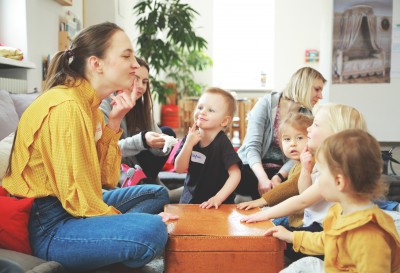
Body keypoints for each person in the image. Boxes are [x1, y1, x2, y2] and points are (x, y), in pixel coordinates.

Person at [2, 22, 177, 272]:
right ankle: (105, 243)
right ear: (96, 64)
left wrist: (114, 122)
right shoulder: (67, 107)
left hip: (74, 206)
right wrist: (127, 221)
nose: (136, 65)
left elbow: (106, 179)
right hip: (50, 225)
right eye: (126, 56)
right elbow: (79, 199)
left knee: (155, 194)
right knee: (152, 230)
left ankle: (105, 244)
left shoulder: (89, 106)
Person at [267, 129, 400, 273]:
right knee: (306, 264)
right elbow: (328, 240)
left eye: (320, 174)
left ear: (339, 182)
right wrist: (292, 236)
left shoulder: (368, 236)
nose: (318, 180)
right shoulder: (339, 212)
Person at [241, 103, 367, 262]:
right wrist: (306, 171)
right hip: (312, 225)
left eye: (315, 124)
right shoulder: (321, 162)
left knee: (272, 239)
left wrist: (264, 213)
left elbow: (301, 201)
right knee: (272, 234)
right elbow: (304, 192)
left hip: (323, 232)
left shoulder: (336, 170)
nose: (308, 129)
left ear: (335, 134)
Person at [236, 67, 326, 199]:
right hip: (254, 167)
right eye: (317, 89)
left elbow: (301, 153)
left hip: (282, 171)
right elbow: (252, 147)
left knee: (299, 178)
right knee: (233, 173)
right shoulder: (266, 103)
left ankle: (262, 199)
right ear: (303, 85)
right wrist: (263, 179)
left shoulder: (307, 114)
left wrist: (278, 177)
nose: (321, 96)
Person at [100, 57, 177, 188]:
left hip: (136, 168)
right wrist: (142, 140)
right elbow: (106, 151)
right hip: (113, 169)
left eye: (145, 82)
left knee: (167, 133)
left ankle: (150, 187)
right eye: (135, 79)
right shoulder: (104, 105)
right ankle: (153, 190)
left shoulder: (141, 108)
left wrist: (163, 143)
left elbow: (159, 151)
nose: (141, 86)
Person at [237, 112, 313, 228]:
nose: (292, 143)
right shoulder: (297, 164)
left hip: (306, 223)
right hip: (296, 217)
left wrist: (260, 201)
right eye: (287, 139)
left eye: (299, 138)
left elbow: (291, 186)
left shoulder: (310, 162)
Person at [174, 87, 242, 208]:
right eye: (200, 107)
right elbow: (179, 168)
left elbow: (235, 174)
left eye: (211, 110)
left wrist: (218, 198)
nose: (202, 112)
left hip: (218, 202)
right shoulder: (190, 137)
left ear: (224, 121)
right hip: (190, 198)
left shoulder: (222, 142)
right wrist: (188, 144)